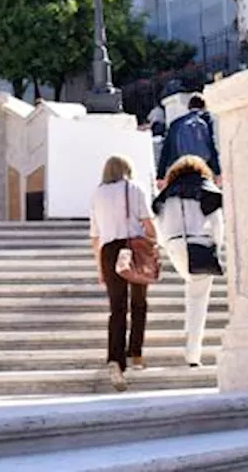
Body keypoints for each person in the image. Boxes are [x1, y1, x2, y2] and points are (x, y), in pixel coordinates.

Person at [88, 154, 155, 392]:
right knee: (139, 302)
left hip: (108, 251)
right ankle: (135, 353)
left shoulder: (97, 194)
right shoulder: (134, 188)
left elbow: (95, 237)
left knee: (117, 308)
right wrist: (153, 243)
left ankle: (115, 360)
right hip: (132, 248)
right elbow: (148, 224)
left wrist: (100, 267)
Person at [151, 154, 225, 368]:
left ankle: (190, 346)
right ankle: (192, 354)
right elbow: (217, 222)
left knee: (191, 289)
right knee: (197, 301)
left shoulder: (167, 194)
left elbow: (159, 224)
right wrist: (216, 247)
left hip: (175, 246)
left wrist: (168, 245)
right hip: (200, 245)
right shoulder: (207, 189)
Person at [156, 94, 221, 186]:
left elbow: (165, 151)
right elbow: (211, 146)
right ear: (204, 106)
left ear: (188, 107)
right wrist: (217, 172)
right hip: (202, 168)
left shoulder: (175, 124)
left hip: (181, 169)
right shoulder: (206, 119)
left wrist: (160, 175)